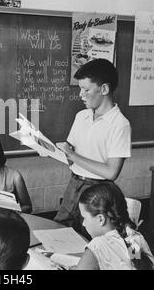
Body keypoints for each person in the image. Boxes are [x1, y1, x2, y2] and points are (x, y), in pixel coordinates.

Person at [54, 59, 131, 238]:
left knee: (90, 238)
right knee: (59, 232)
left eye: (86, 90)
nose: (81, 94)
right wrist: (52, 151)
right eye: (80, 89)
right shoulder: (81, 116)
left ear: (104, 89)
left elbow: (111, 172)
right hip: (74, 184)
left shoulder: (120, 125)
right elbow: (70, 156)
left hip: (99, 192)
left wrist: (72, 154)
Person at [74, 183, 154, 270]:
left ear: (100, 219)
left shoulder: (98, 245)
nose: (83, 223)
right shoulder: (133, 238)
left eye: (84, 218)